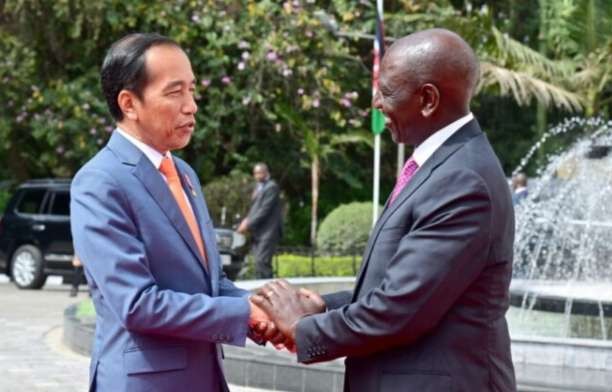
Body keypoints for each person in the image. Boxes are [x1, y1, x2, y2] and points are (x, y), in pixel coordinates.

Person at [252, 28, 517, 392]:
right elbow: (409, 284)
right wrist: (325, 307)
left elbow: (401, 310)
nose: (376, 103)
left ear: (427, 99)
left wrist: (300, 328)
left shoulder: (462, 180)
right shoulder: (442, 165)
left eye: (387, 92)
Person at [70, 33, 276, 392]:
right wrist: (247, 314)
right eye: (175, 92)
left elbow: (210, 285)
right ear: (129, 104)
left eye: (192, 90)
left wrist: (268, 306)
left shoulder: (184, 174)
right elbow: (137, 303)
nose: (192, 106)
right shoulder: (100, 182)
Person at [237, 163, 283, 279]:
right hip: (259, 232)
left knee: (262, 262)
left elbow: (264, 210)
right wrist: (246, 220)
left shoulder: (271, 187)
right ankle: (263, 291)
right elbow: (255, 209)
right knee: (258, 263)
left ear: (266, 172)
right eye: (255, 173)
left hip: (268, 232)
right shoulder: (259, 187)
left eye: (259, 173)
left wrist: (248, 224)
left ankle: (271, 292)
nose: (257, 176)